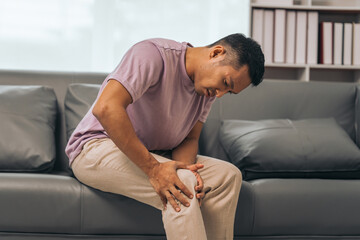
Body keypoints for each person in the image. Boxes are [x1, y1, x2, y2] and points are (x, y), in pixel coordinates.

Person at [65, 33, 264, 240]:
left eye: (229, 91)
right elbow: (106, 108)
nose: (220, 94)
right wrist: (154, 169)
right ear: (216, 53)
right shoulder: (152, 55)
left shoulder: (206, 90)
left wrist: (188, 169)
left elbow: (189, 139)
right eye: (225, 82)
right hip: (95, 147)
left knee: (228, 176)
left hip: (155, 153)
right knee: (180, 183)